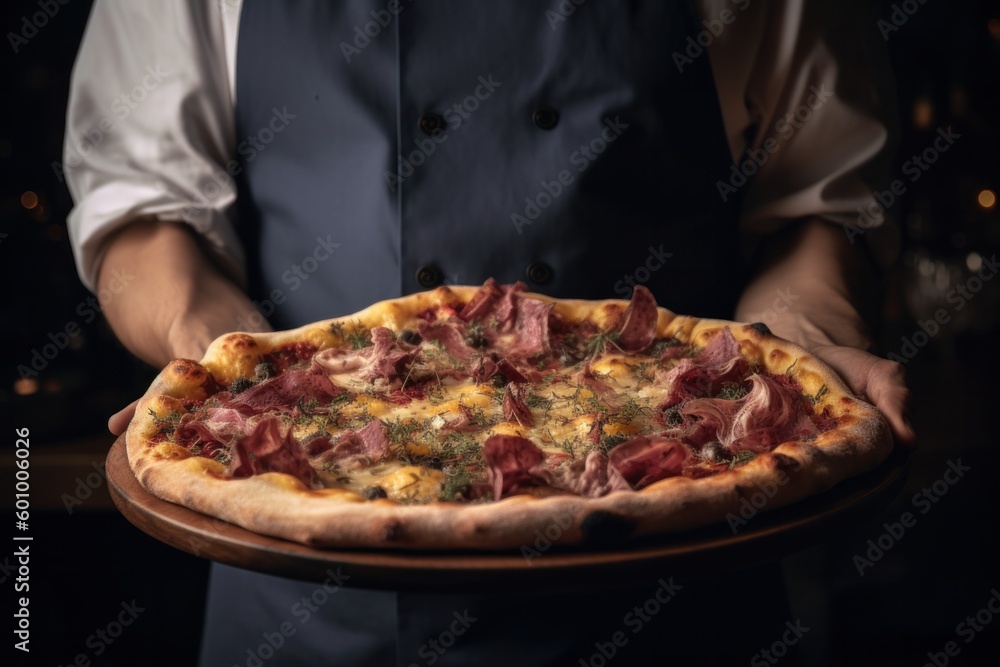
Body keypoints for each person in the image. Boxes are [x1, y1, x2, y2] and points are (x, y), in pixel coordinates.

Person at [65, 1, 915, 664]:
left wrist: (800, 346)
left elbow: (818, 206)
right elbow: (140, 208)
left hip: (677, 598)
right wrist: (229, 374)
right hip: (305, 613)